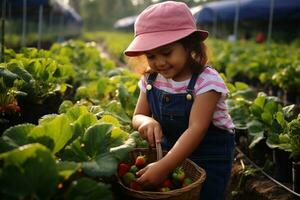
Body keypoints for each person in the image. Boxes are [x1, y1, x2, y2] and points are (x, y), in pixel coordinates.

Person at [124, 1, 235, 199]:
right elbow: (138, 115)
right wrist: (146, 121)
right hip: (169, 151)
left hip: (208, 157)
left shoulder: (206, 81)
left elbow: (196, 128)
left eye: (167, 53)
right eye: (151, 56)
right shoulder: (151, 79)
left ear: (188, 44)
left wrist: (165, 166)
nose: (159, 62)